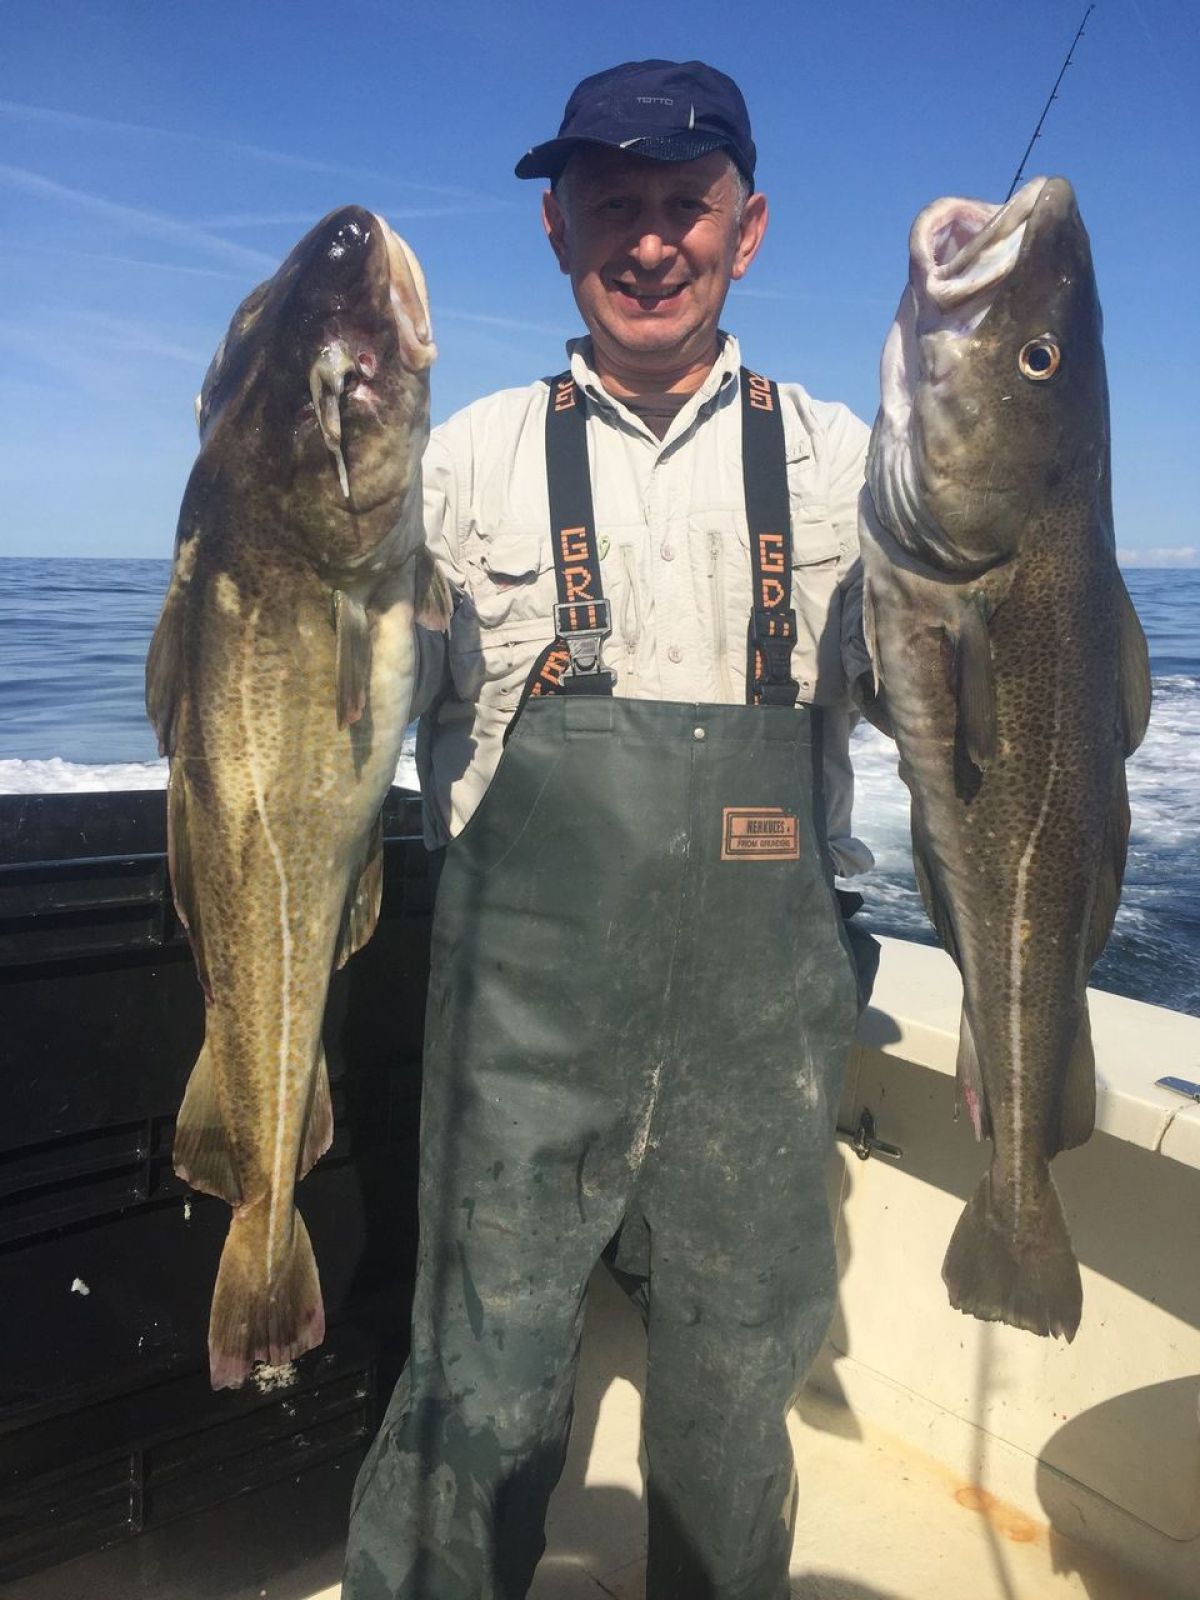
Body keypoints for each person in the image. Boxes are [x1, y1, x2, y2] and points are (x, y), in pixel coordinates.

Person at [344, 58, 877, 1600]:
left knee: (731, 1396)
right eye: (613, 208)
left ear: (749, 227)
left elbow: (971, 715)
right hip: (518, 1019)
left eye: (684, 207)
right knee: (480, 1385)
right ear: (556, 228)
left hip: (760, 1031)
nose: (651, 244)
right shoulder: (454, 468)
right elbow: (321, 703)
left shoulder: (849, 463)